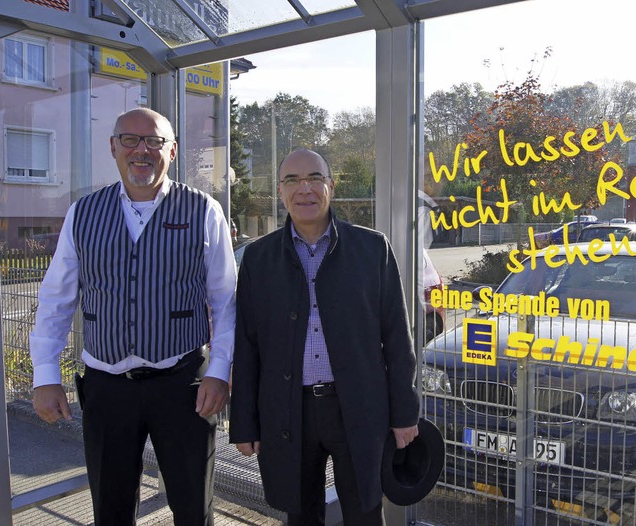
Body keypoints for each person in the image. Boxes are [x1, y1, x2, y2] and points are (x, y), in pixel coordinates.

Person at [30, 108, 237, 526]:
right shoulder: (83, 213)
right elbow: (56, 298)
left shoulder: (203, 210)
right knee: (111, 509)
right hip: (107, 389)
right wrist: (44, 374)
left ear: (172, 150)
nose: (142, 150)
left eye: (155, 141)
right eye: (130, 139)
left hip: (183, 386)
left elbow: (226, 300)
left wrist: (220, 371)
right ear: (113, 147)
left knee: (194, 509)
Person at [229, 148, 420, 525]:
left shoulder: (371, 249)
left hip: (358, 407)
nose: (305, 189)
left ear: (331, 186)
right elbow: (247, 347)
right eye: (292, 181)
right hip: (287, 410)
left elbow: (398, 338)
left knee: (365, 512)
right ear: (280, 192)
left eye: (315, 178)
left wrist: (405, 413)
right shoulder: (258, 259)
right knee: (300, 515)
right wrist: (245, 423)